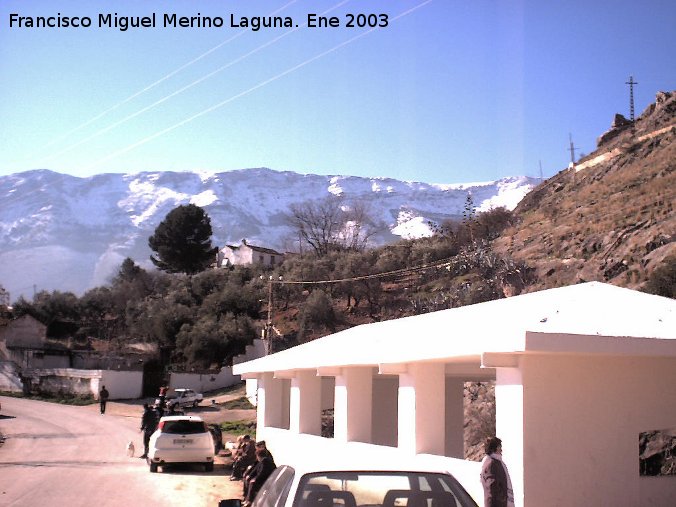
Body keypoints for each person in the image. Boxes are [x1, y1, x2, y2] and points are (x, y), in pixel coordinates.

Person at [480, 436, 514, 507]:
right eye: (499, 447)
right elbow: (492, 491)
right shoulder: (491, 464)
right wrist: (503, 500)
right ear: (494, 448)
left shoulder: (497, 463)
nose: (501, 450)